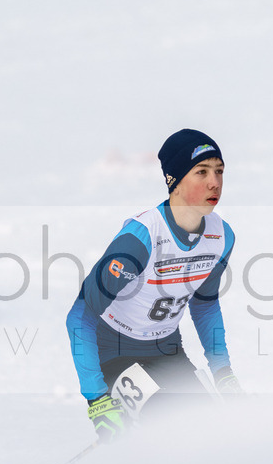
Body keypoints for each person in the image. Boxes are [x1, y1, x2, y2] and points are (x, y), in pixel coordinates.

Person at [65, 128, 242, 443]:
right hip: (115, 351)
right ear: (174, 181)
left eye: (219, 171)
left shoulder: (221, 237)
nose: (214, 182)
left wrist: (222, 371)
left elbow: (205, 305)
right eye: (201, 172)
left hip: (167, 349)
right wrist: (97, 399)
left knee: (214, 433)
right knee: (172, 433)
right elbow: (81, 316)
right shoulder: (140, 239)